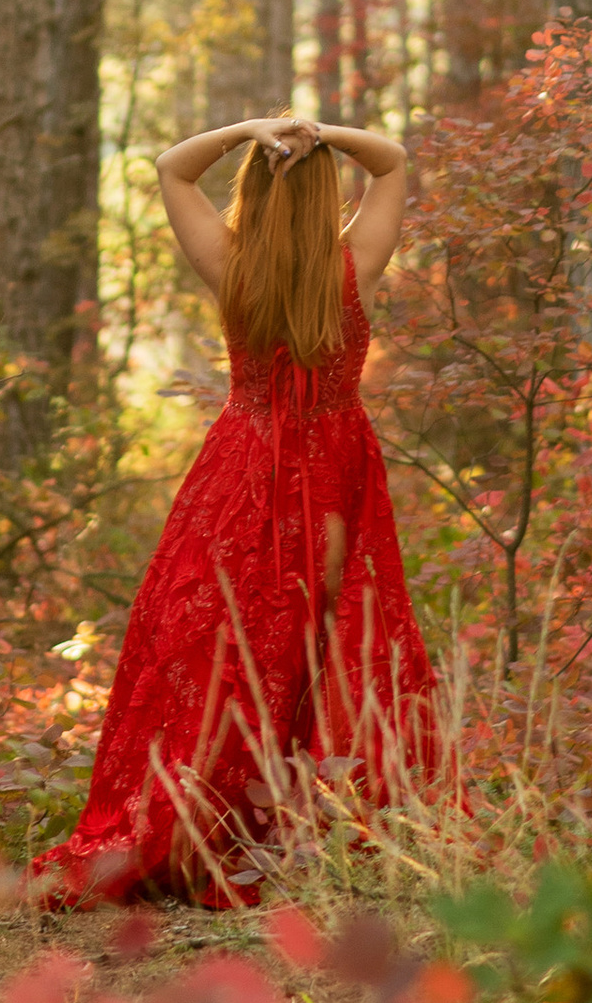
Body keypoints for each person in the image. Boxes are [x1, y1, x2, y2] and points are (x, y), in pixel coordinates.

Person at [32, 109, 439, 909]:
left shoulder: (232, 264)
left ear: (254, 188)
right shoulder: (354, 264)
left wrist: (254, 130)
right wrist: (325, 135)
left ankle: (217, 822)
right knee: (327, 638)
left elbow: (172, 165)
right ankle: (301, 826)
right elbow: (391, 161)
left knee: (229, 640)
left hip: (242, 465)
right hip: (334, 468)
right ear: (326, 196)